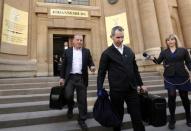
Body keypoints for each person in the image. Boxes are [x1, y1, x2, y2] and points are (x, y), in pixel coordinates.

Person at [97, 26, 147, 131]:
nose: (120, 40)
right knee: (117, 117)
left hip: (132, 89)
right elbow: (101, 73)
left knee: (137, 117)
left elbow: (135, 70)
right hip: (116, 91)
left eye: (122, 37)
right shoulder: (107, 53)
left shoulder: (129, 51)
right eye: (118, 37)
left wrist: (141, 84)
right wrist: (99, 88)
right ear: (112, 37)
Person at [149, 34, 191, 129]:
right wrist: (153, 59)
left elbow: (188, 62)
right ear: (166, 42)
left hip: (182, 76)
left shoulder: (183, 50)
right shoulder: (164, 52)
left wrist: (190, 69)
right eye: (168, 40)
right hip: (169, 77)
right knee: (171, 95)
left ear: (175, 40)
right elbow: (158, 62)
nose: (170, 41)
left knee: (184, 97)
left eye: (172, 39)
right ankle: (172, 119)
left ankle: (188, 118)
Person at [59, 34, 95, 131]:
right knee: (68, 95)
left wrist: (92, 66)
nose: (79, 42)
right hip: (70, 78)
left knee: (82, 100)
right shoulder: (68, 51)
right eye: (77, 40)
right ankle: (70, 106)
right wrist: (62, 78)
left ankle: (82, 120)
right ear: (73, 41)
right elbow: (63, 66)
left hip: (81, 78)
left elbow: (90, 62)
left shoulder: (86, 51)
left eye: (81, 40)